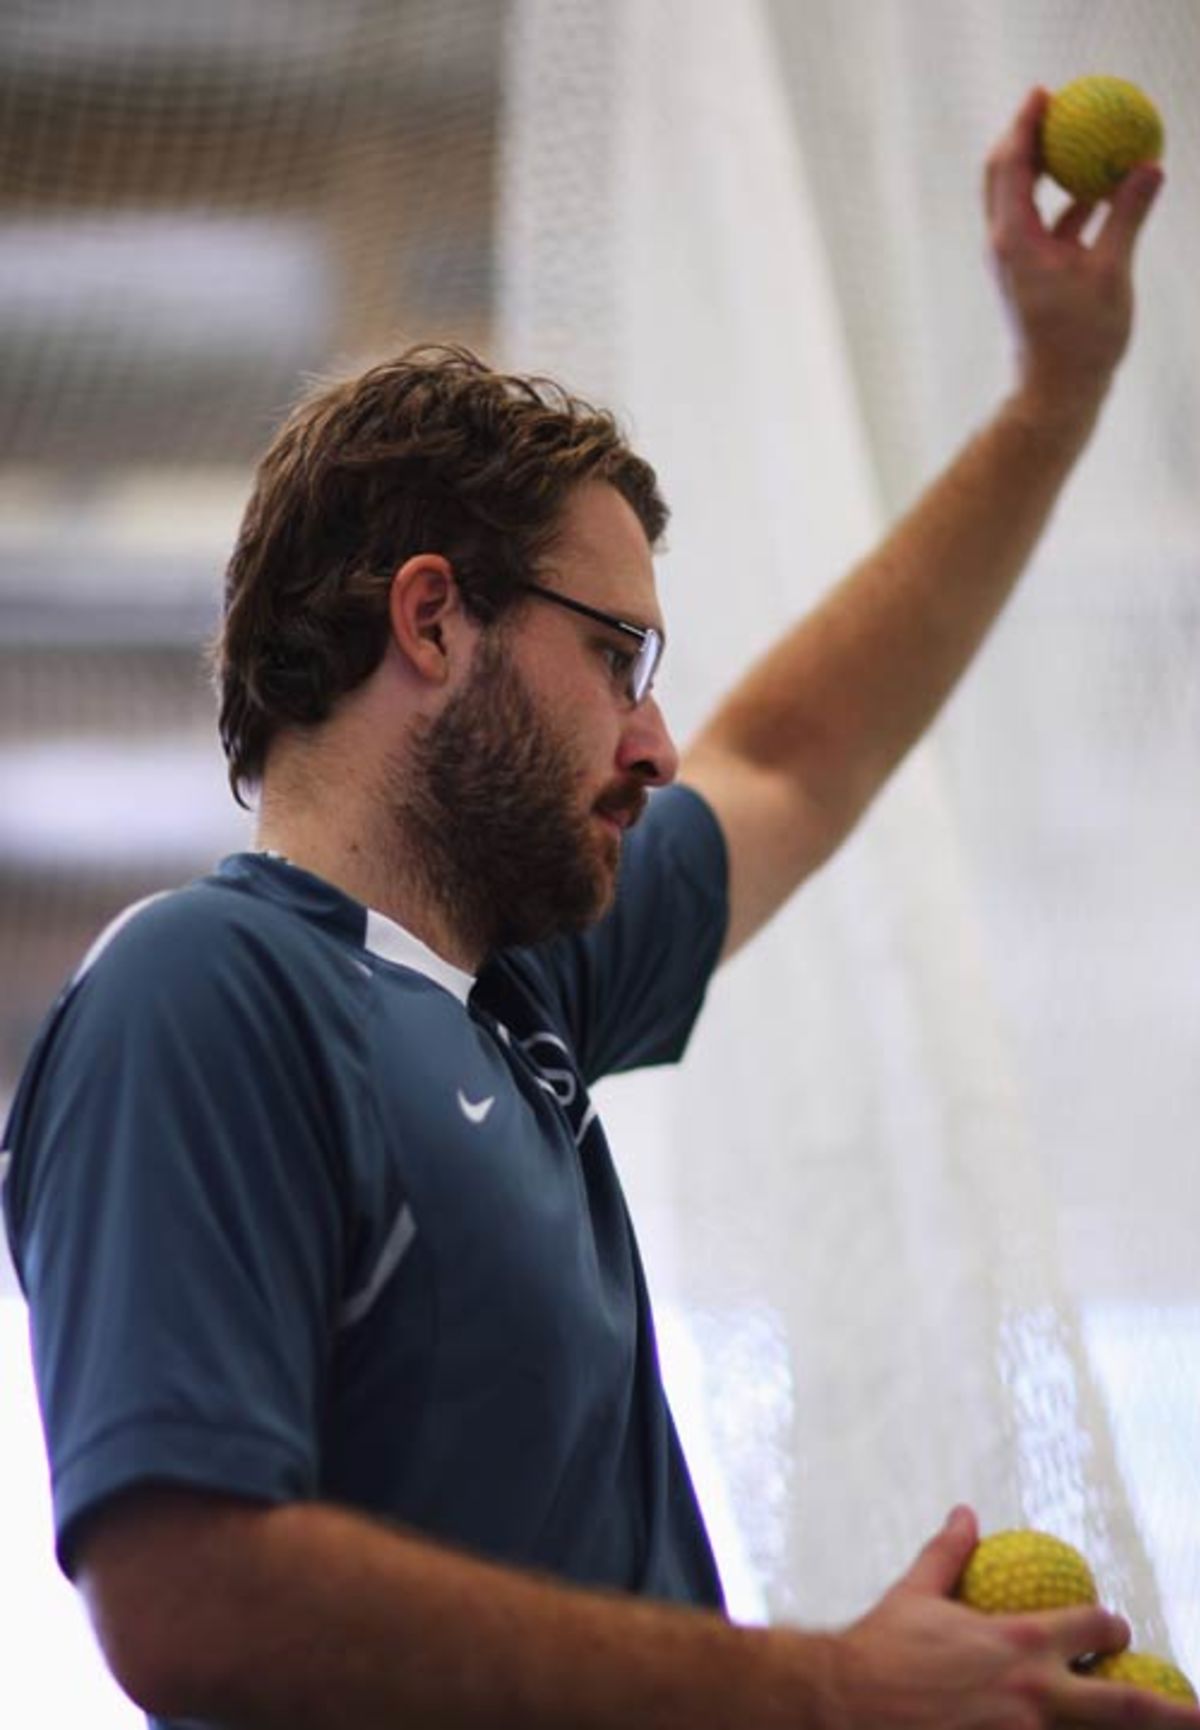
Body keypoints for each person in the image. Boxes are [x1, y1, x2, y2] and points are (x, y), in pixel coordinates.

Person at [2, 90, 1187, 1730]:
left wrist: (1054, 401)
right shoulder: (208, 990)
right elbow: (186, 1587)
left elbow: (793, 753)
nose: (656, 737)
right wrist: (824, 1688)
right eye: (617, 656)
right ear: (433, 617)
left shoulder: (518, 996)